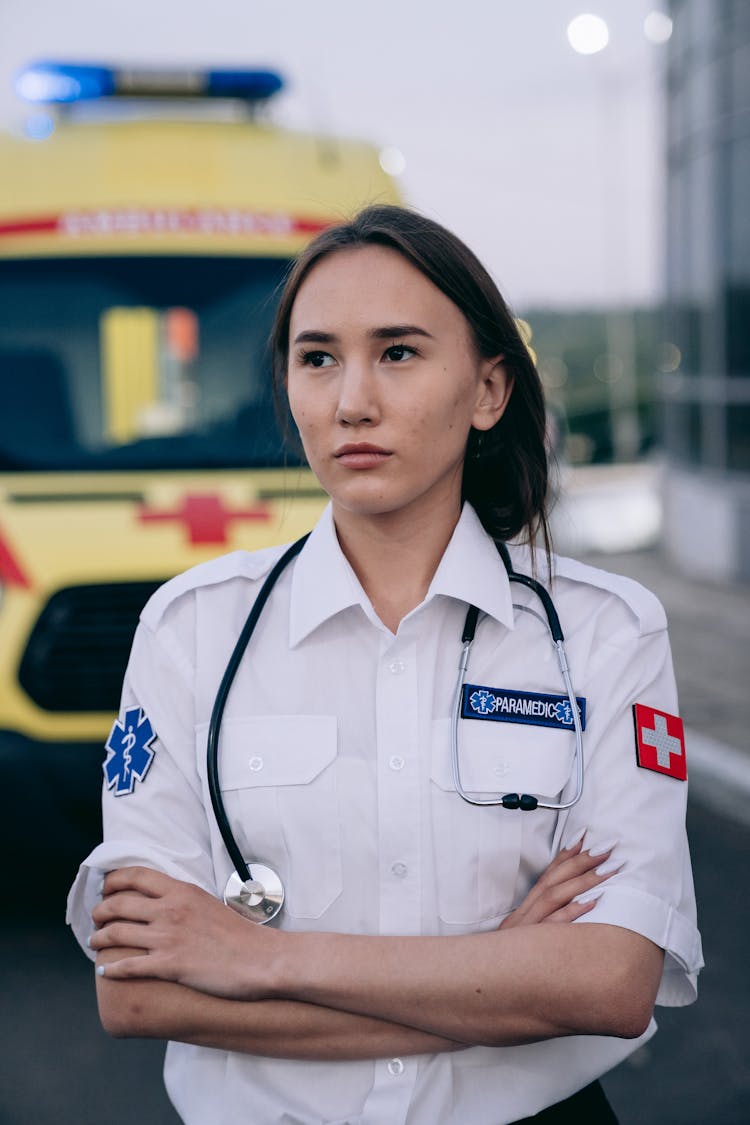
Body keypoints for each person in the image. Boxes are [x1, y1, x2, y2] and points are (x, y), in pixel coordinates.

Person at [67, 205, 702, 1124]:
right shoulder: (192, 629)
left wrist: (258, 958)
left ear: (488, 391)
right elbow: (137, 993)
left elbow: (609, 981)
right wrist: (500, 972)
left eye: (398, 352)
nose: (351, 400)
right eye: (317, 357)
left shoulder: (606, 634)